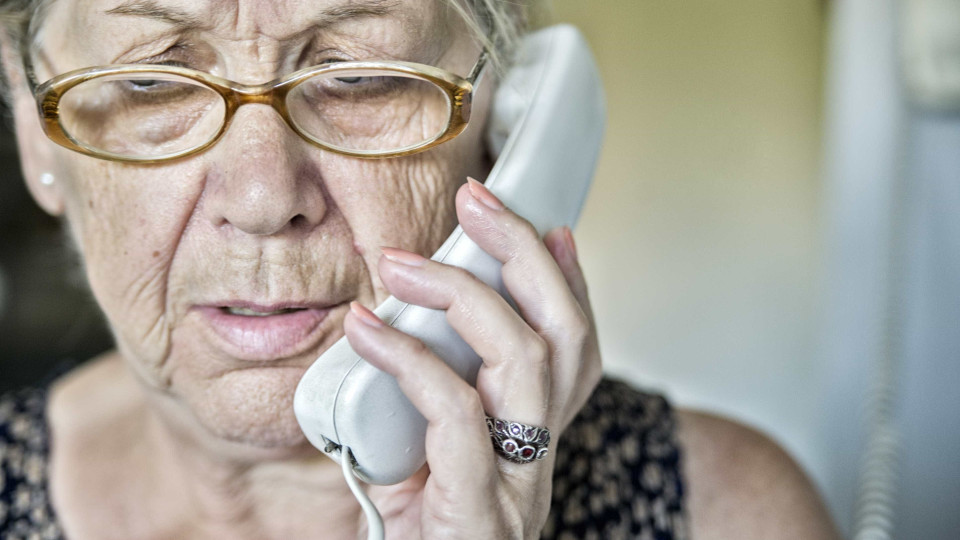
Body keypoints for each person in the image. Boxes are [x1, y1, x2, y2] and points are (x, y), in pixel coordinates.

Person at [0, 0, 841, 538]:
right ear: (35, 131)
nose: (262, 196)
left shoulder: (734, 512)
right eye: (152, 81)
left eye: (361, 75)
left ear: (509, 126)